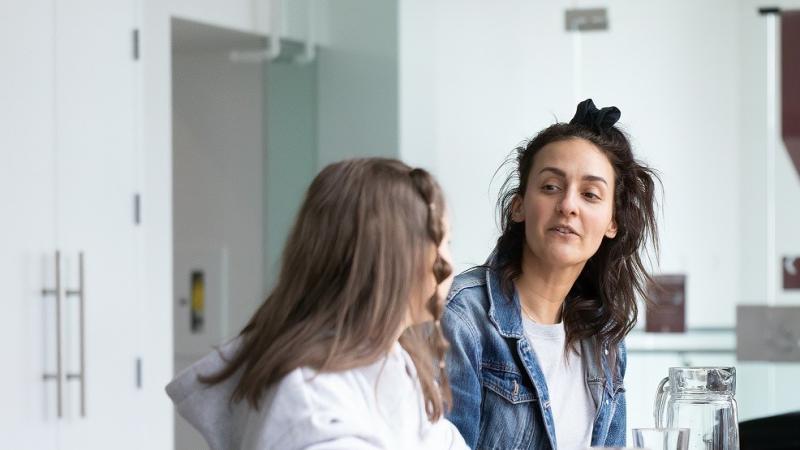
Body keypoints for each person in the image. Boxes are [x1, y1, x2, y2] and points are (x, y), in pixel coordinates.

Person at [167, 158, 468, 450]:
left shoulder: (393, 362)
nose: (450, 264)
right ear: (395, 261)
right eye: (443, 244)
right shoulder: (311, 409)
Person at [442, 99, 660, 449]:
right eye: (550, 187)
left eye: (590, 194)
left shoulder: (606, 343)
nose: (568, 205)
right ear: (519, 205)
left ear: (612, 223)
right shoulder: (462, 319)